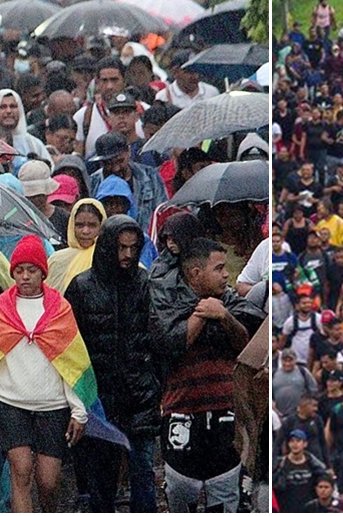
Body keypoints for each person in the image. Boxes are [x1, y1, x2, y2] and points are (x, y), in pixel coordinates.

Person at [0, 236, 91, 513]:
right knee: (20, 469)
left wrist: (78, 410)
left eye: (32, 270)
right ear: (12, 272)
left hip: (53, 404)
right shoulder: (1, 309)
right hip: (11, 402)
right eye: (19, 270)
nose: (25, 277)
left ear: (42, 272)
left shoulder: (60, 310)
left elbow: (71, 364)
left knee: (48, 481)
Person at [149, 236, 265, 512]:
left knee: (225, 495)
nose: (227, 275)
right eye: (219, 268)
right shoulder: (166, 301)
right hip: (181, 414)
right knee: (180, 492)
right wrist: (201, 313)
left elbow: (249, 347)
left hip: (226, 414)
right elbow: (171, 345)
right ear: (196, 273)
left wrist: (224, 316)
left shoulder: (231, 302)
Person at [65, 215, 161, 512]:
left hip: (140, 394)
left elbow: (156, 339)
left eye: (133, 248)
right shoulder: (82, 287)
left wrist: (156, 385)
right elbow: (70, 345)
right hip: (100, 397)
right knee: (101, 482)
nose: (127, 255)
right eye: (121, 248)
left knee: (143, 475)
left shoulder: (144, 283)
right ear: (108, 247)